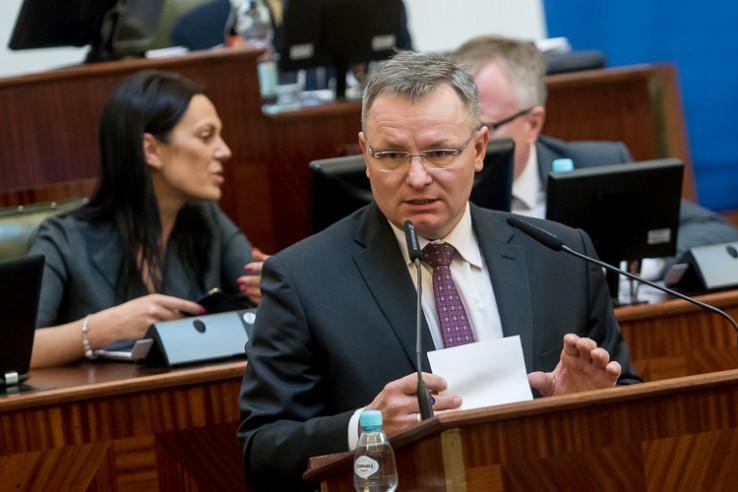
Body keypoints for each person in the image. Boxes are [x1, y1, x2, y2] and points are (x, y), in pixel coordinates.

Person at [237, 50, 641, 491]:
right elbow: (263, 452)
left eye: (439, 153)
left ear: (479, 149)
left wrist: (585, 406)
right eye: (392, 155)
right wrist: (364, 427)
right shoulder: (302, 279)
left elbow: (631, 400)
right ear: (366, 155)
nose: (417, 177)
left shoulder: (560, 256)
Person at [28, 70, 266, 368]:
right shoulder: (62, 238)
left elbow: (259, 292)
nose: (224, 151)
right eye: (206, 136)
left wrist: (276, 289)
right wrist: (99, 330)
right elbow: (15, 350)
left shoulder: (208, 220)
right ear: (151, 150)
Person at [452, 34, 738, 277]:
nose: (466, 145)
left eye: (484, 128)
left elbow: (713, 230)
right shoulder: (446, 186)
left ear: (532, 124)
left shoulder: (598, 165)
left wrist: (638, 264)